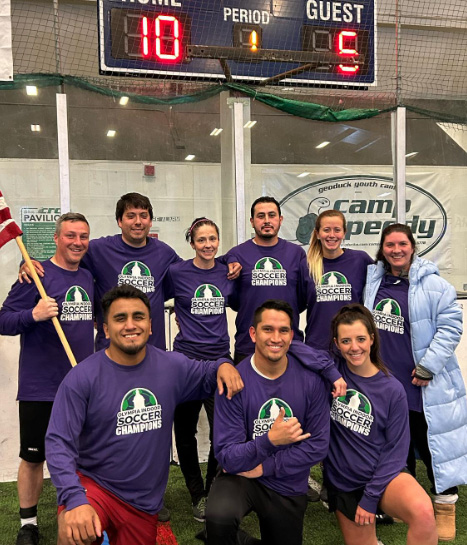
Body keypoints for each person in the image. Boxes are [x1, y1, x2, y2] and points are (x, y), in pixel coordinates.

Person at [45, 285, 243, 545]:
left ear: (150, 325)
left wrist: (224, 364)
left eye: (138, 317)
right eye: (119, 318)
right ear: (105, 329)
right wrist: (74, 498)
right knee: (74, 531)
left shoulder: (171, 366)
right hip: (96, 488)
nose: (130, 325)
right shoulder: (82, 378)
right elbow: (58, 442)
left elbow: (209, 372)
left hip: (144, 503)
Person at [364, 223, 467, 541]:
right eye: (390, 245)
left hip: (423, 383)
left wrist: (427, 367)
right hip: (387, 385)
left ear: (413, 246)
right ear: (382, 249)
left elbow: (451, 327)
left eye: (402, 244)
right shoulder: (373, 280)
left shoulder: (434, 285)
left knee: (434, 445)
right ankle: (404, 504)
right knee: (397, 446)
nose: (396, 250)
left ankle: (445, 506)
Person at [0, 213, 94, 545]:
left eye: (83, 236)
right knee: (33, 456)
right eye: (70, 235)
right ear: (56, 238)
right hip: (41, 386)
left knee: (83, 456)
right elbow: (4, 320)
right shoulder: (35, 276)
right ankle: (28, 524)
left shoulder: (88, 277)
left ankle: (82, 509)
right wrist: (33, 315)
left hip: (82, 386)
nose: (77, 242)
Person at [205, 299, 330, 545]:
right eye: (267, 329)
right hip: (241, 477)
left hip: (287, 481)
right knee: (219, 517)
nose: (276, 338)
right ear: (253, 333)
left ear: (292, 335)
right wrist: (269, 441)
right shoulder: (234, 381)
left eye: (283, 330)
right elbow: (227, 456)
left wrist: (265, 466)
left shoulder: (311, 381)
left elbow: (318, 445)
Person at [324, 304, 437, 545]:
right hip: (343, 483)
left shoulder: (392, 389)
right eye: (346, 341)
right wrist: (332, 374)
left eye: (361, 339)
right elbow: (296, 349)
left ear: (372, 339)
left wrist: (370, 497)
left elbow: (396, 452)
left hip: (384, 478)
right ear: (336, 343)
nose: (354, 347)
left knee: (424, 513)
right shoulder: (331, 372)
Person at [164, 217, 235, 521]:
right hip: (186, 362)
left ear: (218, 241)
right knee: (184, 430)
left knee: (223, 431)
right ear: (191, 243)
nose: (207, 245)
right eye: (201, 240)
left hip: (220, 361)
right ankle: (197, 494)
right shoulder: (177, 272)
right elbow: (153, 297)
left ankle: (215, 489)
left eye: (212, 239)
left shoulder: (228, 271)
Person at [225, 196, 308, 364]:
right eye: (261, 216)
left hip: (288, 345)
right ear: (252, 221)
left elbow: (302, 299)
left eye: (272, 215)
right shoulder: (237, 254)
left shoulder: (296, 254)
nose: (267, 221)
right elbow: (234, 301)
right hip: (248, 346)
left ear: (280, 219)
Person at [305, 209, 373, 351]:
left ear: (344, 233)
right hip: (318, 348)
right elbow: (296, 303)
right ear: (318, 234)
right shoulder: (306, 265)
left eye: (337, 230)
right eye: (326, 230)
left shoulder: (360, 260)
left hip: (353, 347)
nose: (332, 235)